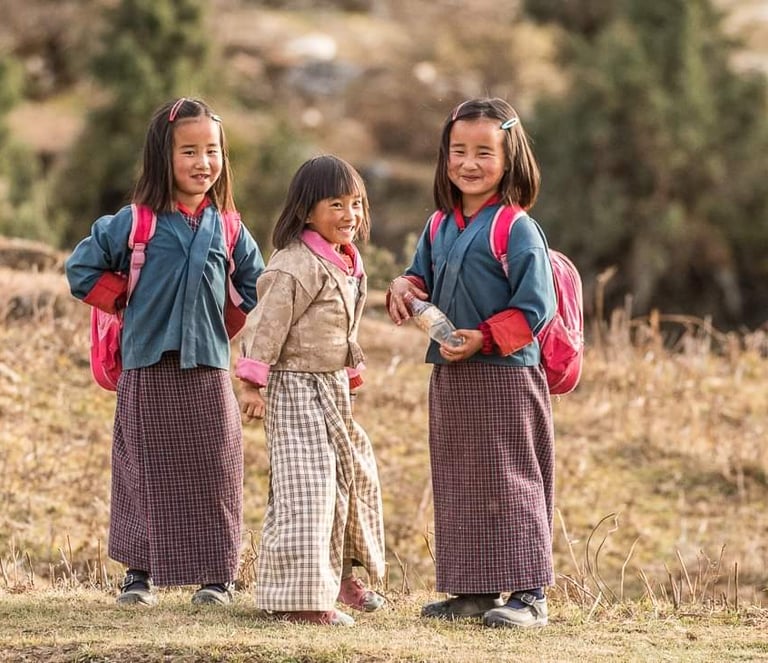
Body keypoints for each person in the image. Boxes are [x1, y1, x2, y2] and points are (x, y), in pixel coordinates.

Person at [65, 97, 265, 607]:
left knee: (217, 468)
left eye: (212, 151)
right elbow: (80, 270)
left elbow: (255, 287)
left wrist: (222, 327)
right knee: (143, 469)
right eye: (189, 151)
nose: (204, 163)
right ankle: (139, 575)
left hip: (209, 367)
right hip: (146, 363)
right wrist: (127, 304)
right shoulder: (134, 223)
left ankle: (216, 578)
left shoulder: (230, 228)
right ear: (162, 158)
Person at [386, 97, 557, 629]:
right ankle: (475, 590)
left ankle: (530, 596)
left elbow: (536, 308)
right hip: (452, 374)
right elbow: (421, 277)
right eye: (458, 150)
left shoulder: (516, 228)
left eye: (484, 152)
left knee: (512, 478)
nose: (469, 163)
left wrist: (483, 339)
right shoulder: (439, 225)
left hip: (508, 376)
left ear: (510, 160)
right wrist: (404, 286)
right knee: (461, 478)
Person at [235, 154, 386, 627]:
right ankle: (299, 598)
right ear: (306, 212)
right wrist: (252, 384)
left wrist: (350, 372)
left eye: (356, 204)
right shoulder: (294, 264)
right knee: (308, 490)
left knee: (348, 481)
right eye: (336, 204)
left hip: (331, 388)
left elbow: (342, 326)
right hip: (295, 387)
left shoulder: (346, 261)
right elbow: (265, 325)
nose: (350, 215)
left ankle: (336, 577)